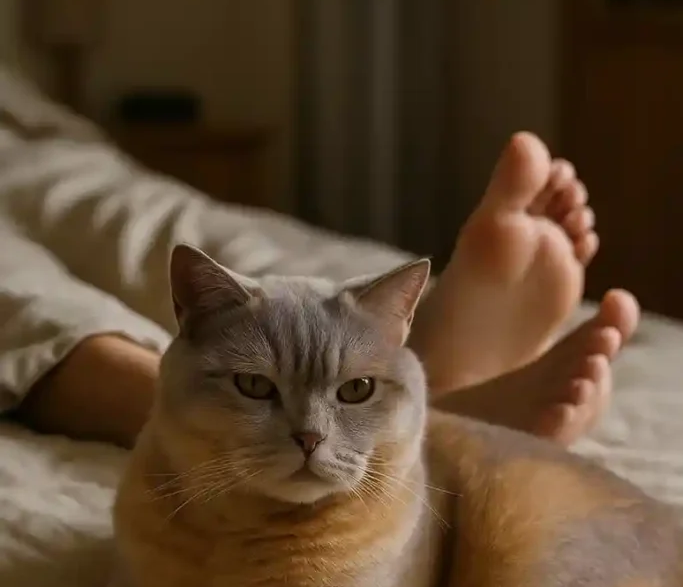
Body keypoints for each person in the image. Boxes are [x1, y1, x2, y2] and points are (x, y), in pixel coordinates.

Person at [0, 71, 638, 451]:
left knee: (211, 262)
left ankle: (407, 348)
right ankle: (426, 419)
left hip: (35, 145)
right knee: (27, 290)